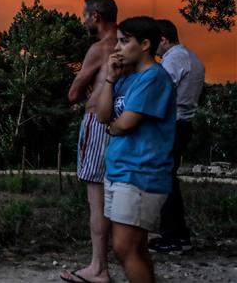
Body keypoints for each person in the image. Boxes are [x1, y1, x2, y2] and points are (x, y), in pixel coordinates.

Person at [96, 16, 176, 283]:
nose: (117, 47)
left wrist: (115, 126)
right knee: (136, 248)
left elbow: (125, 125)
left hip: (141, 173)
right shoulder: (127, 78)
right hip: (121, 170)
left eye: (124, 41)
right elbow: (103, 115)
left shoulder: (153, 77)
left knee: (124, 247)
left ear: (144, 44)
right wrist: (109, 80)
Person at [61, 0, 118, 283]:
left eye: (84, 15)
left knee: (96, 197)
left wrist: (87, 89)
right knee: (118, 195)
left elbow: (73, 93)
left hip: (98, 123)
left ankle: (99, 268)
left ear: (95, 16)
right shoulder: (129, 45)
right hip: (123, 123)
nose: (83, 20)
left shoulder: (100, 48)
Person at [149, 19, 205, 254]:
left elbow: (158, 88)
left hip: (172, 124)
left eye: (154, 42)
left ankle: (173, 237)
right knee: (169, 179)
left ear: (163, 39)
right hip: (184, 123)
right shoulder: (192, 57)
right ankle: (178, 236)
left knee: (164, 181)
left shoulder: (174, 58)